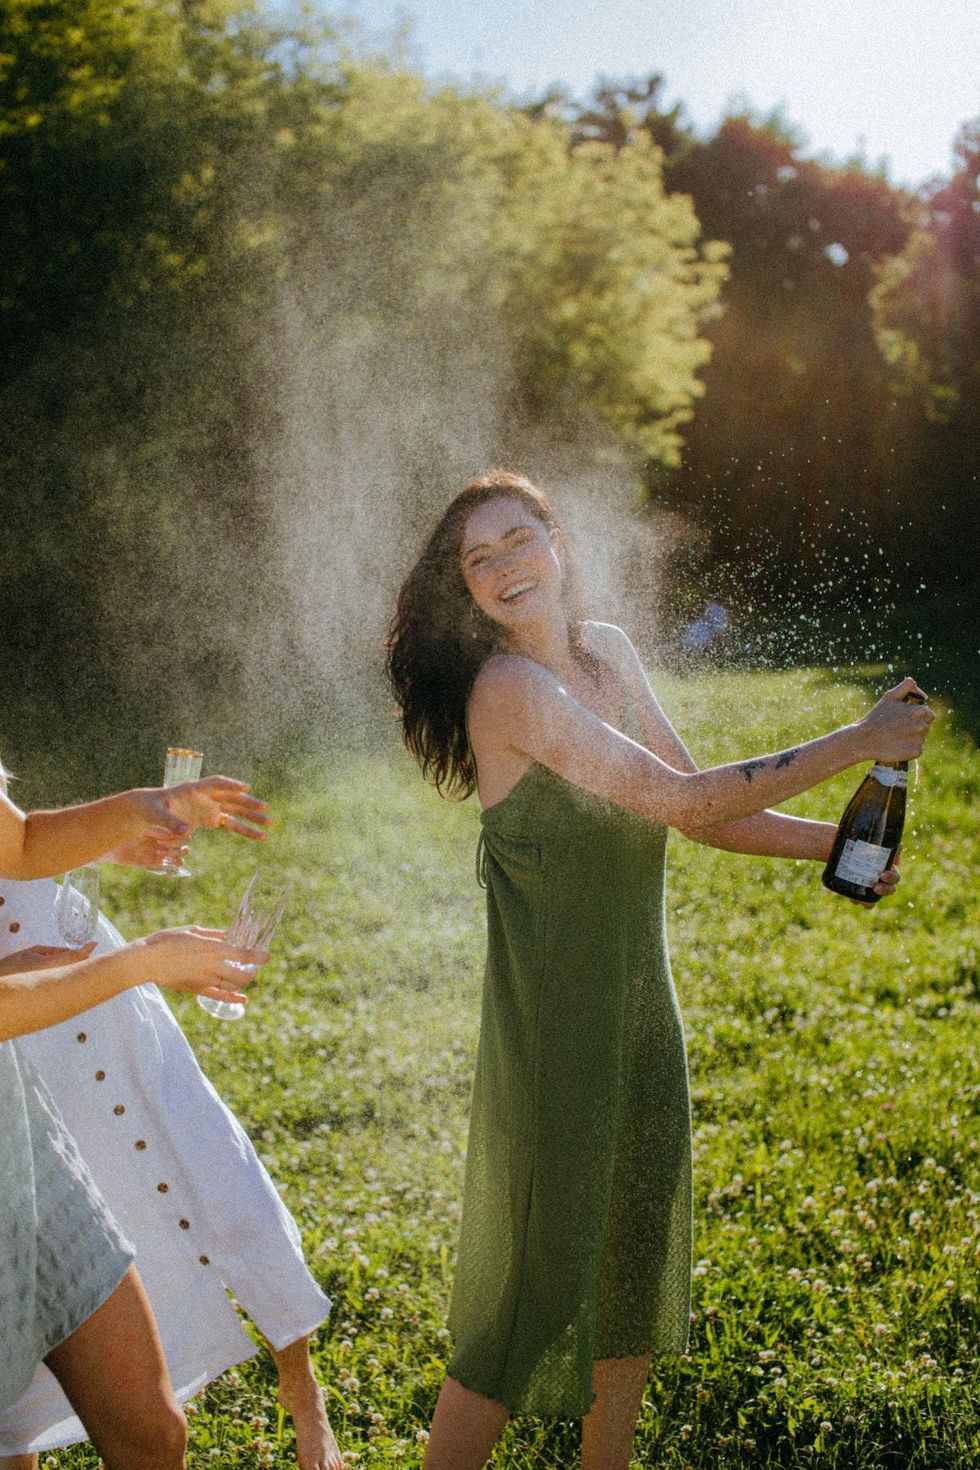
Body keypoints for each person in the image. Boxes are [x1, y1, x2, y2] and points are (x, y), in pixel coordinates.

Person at [386, 471, 934, 1470]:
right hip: (555, 1024)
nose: (505, 567)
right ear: (463, 590)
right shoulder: (507, 691)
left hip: (643, 1011)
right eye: (479, 559)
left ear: (559, 542)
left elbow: (704, 816)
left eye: (519, 541)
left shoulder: (606, 653)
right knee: (533, 1294)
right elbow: (681, 798)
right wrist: (856, 738)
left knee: (630, 1265)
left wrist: (837, 844)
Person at [0, 765, 342, 1470]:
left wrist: (136, 813)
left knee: (155, 1435)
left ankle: (304, 1388)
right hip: (26, 1046)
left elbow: (21, 843)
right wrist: (139, 963)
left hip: (21, 1109)